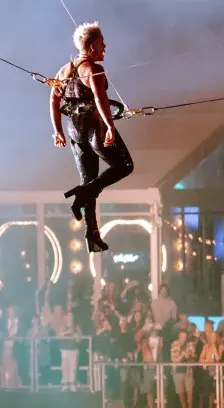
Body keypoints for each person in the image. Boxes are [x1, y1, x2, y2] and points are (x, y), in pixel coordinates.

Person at [50, 22, 134, 253]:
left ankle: (92, 235)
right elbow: (100, 99)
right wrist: (110, 126)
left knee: (89, 180)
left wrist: (58, 130)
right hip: (93, 128)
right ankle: (83, 193)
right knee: (125, 166)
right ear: (91, 47)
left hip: (74, 131)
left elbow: (54, 101)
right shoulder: (93, 69)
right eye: (101, 43)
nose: (104, 47)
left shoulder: (63, 71)